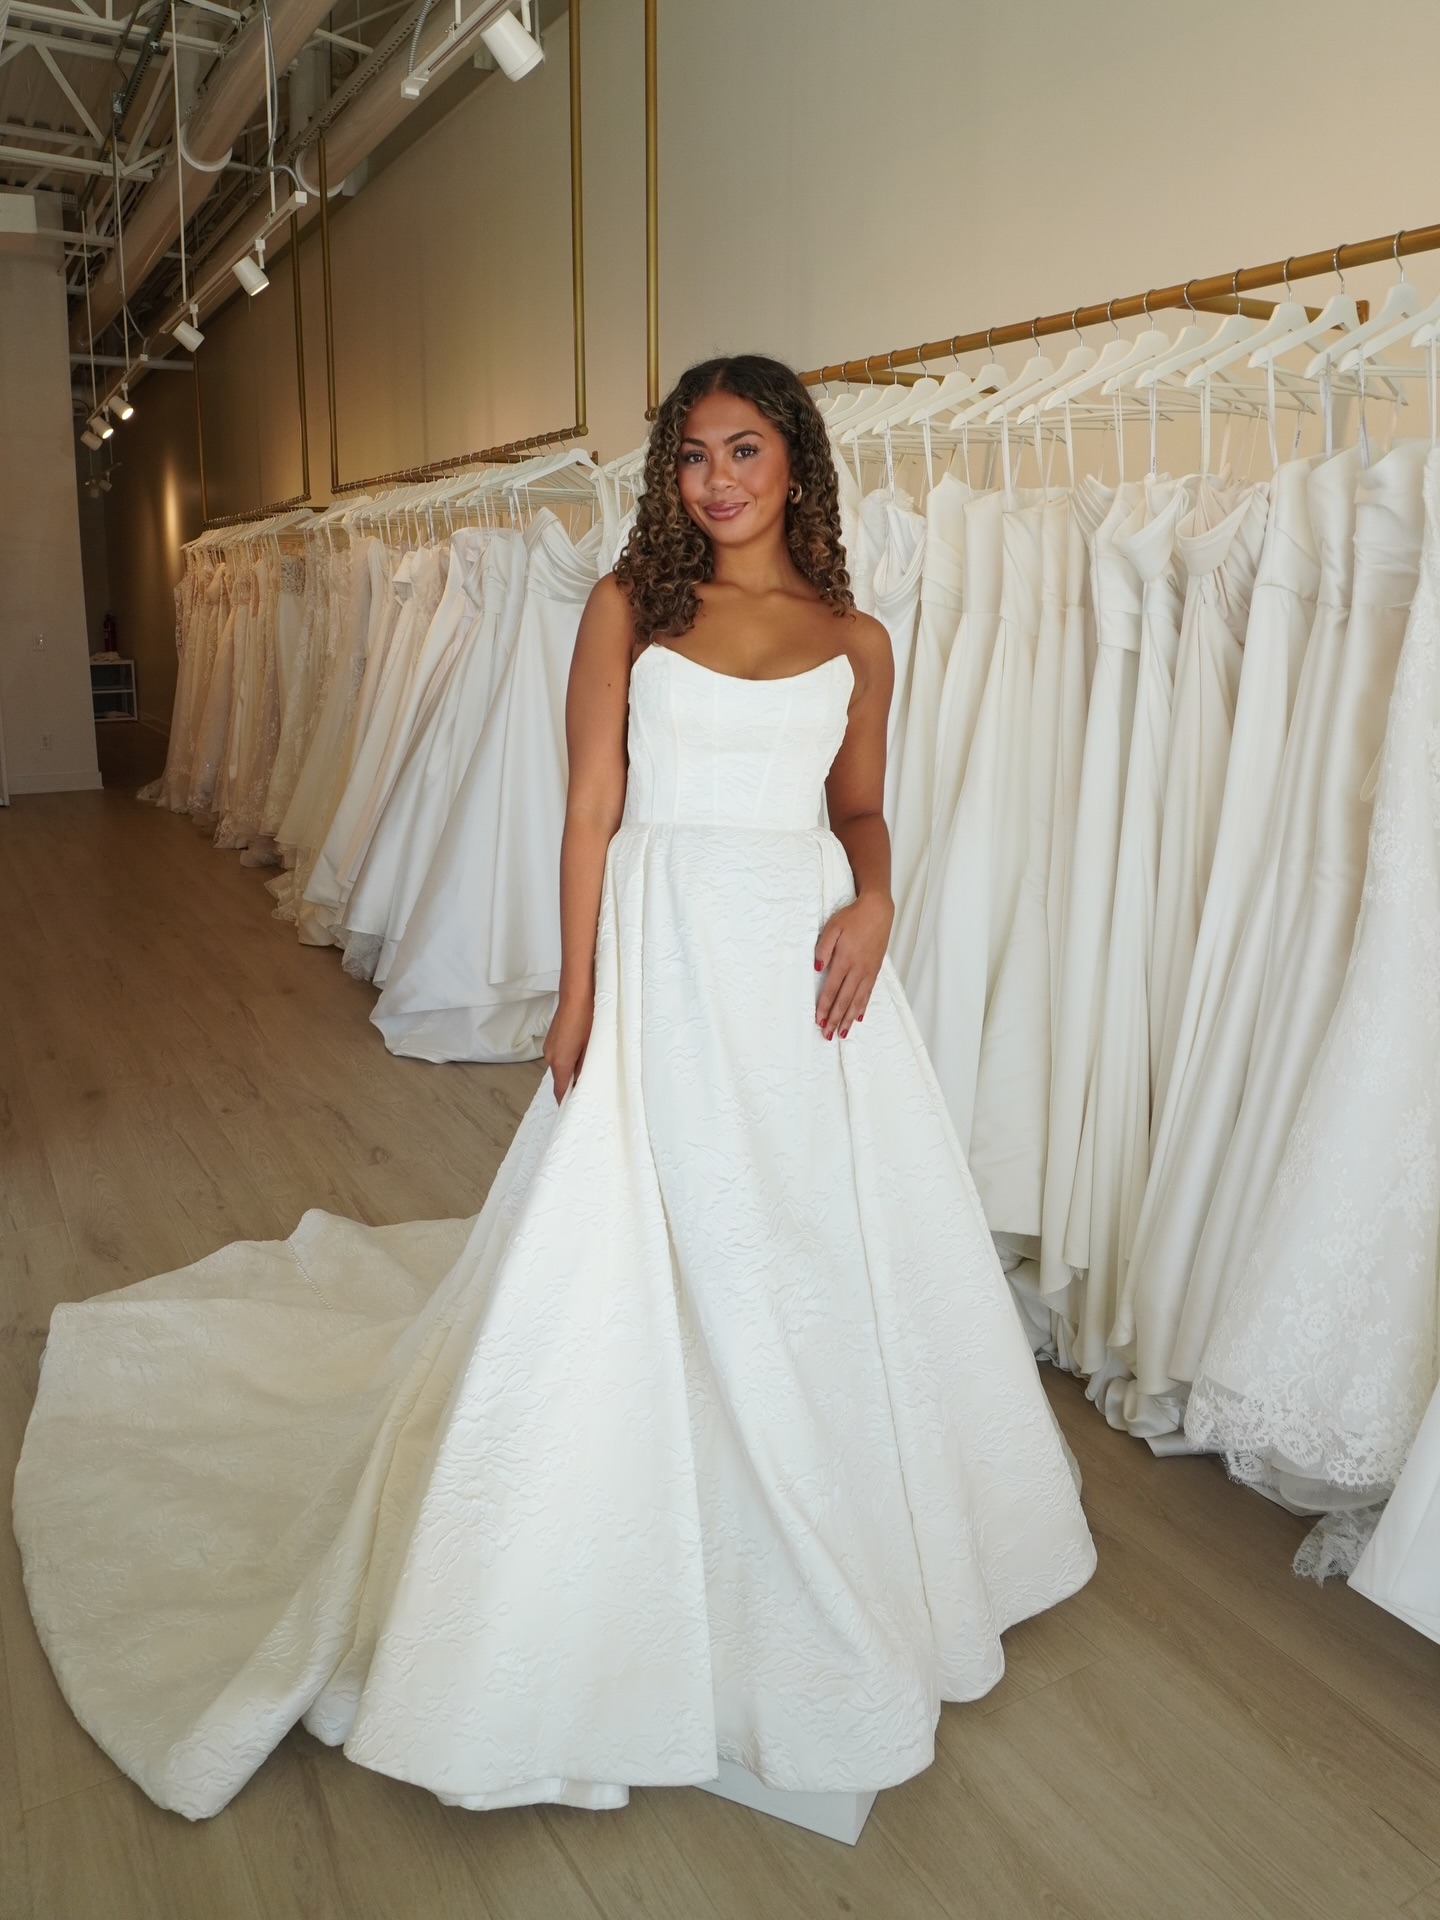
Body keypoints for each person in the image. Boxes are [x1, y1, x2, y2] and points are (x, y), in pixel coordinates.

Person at [14, 355, 1094, 1824]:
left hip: (803, 962)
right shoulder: (628, 612)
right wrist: (581, 991)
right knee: (660, 1232)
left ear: (798, 466)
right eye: (694, 454)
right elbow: (590, 808)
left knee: (815, 1248)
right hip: (667, 954)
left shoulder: (859, 638)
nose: (718, 479)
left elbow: (858, 806)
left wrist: (879, 898)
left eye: (746, 449)